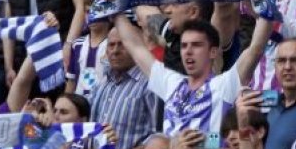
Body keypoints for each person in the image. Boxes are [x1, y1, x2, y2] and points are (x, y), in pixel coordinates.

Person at [113, 12, 271, 135]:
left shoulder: (223, 85)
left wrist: (267, 0)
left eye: (196, 45)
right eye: (184, 46)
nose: (188, 52)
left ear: (213, 52)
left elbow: (255, 49)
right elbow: (134, 46)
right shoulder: (171, 82)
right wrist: (113, 3)